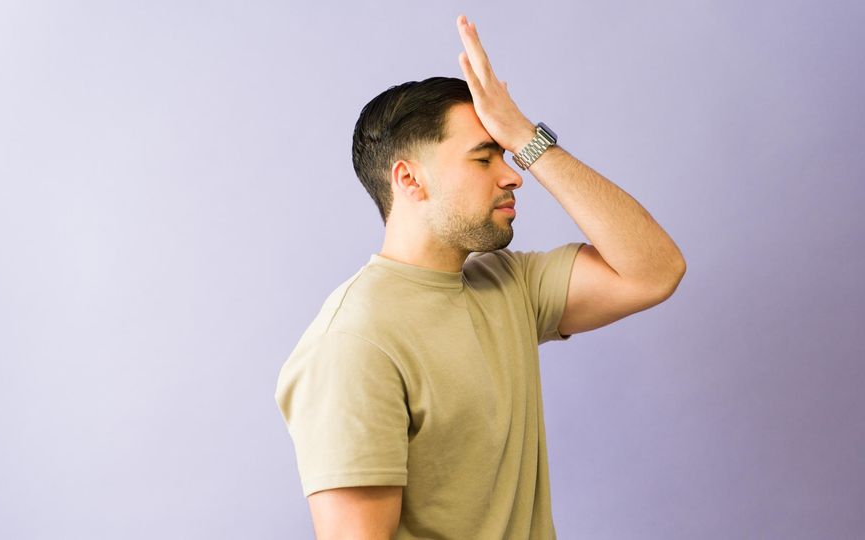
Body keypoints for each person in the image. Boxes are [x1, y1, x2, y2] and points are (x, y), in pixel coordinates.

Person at [274, 13, 686, 540]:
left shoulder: (511, 286)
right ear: (409, 179)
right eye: (484, 156)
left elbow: (656, 270)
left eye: (508, 154)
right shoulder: (353, 343)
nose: (513, 173)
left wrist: (526, 136)